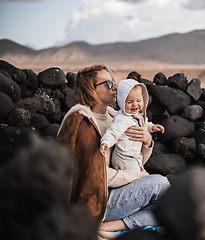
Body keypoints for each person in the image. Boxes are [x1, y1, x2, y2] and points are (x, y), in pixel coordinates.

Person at [56, 64, 170, 237]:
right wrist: (139, 177)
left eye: (114, 82)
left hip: (115, 192)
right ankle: (106, 225)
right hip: (95, 201)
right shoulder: (83, 122)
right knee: (161, 185)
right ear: (91, 89)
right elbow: (93, 175)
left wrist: (147, 141)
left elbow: (130, 161)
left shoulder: (114, 118)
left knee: (167, 206)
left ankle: (111, 226)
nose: (115, 87)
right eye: (108, 83)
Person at [100, 79, 164, 172]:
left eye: (138, 100)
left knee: (138, 174)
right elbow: (113, 132)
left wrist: (152, 127)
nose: (135, 104)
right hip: (123, 157)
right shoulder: (122, 119)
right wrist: (106, 142)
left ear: (143, 98)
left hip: (134, 156)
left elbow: (144, 124)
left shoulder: (137, 115)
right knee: (136, 177)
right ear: (121, 101)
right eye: (130, 102)